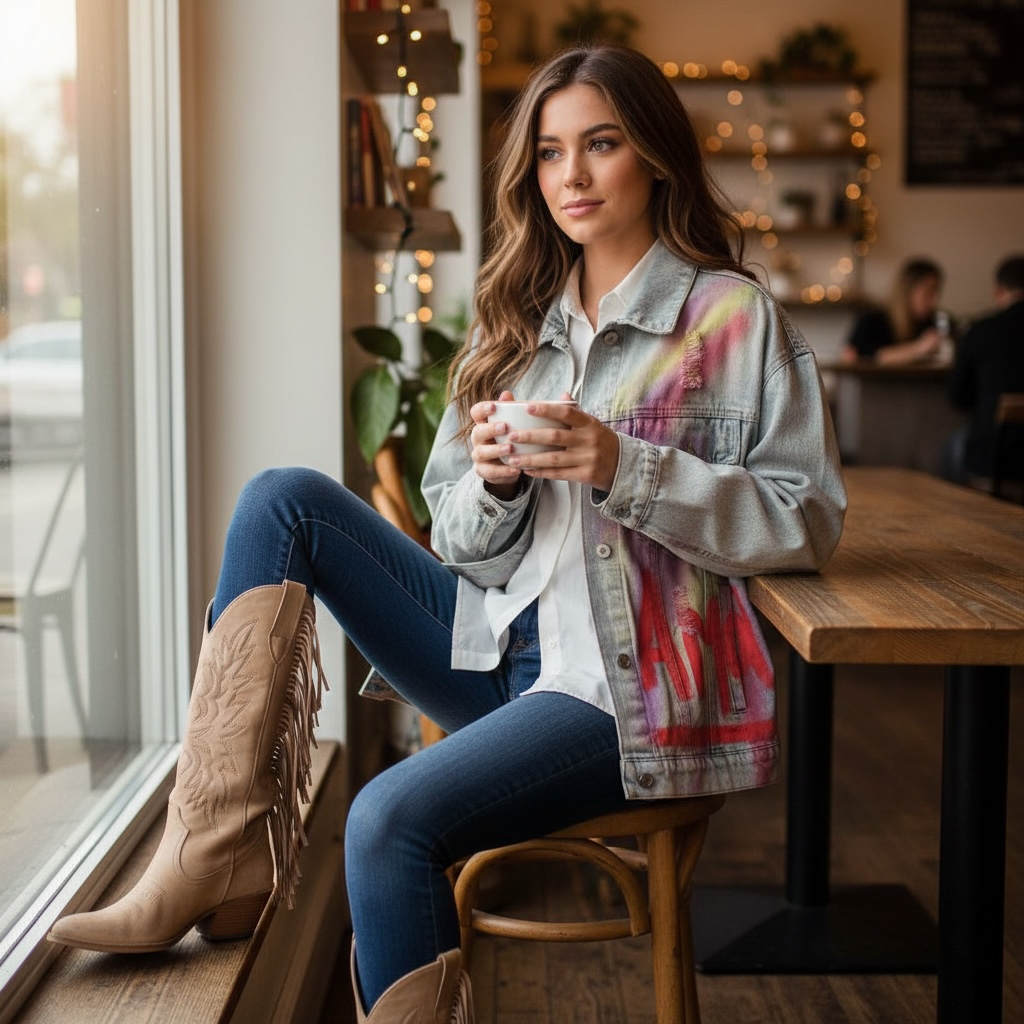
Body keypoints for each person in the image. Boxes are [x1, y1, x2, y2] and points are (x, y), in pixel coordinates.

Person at [47, 44, 847, 1023]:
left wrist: (623, 465)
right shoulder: (515, 318)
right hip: (499, 651)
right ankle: (210, 851)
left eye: (601, 143)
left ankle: (225, 869)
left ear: (655, 155)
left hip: (632, 695)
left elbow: (807, 519)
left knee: (386, 821)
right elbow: (461, 544)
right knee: (282, 499)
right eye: (550, 151)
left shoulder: (732, 321)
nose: (572, 174)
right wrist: (498, 484)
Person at [947, 254, 1024, 483]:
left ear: (998, 290)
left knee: (952, 447)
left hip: (994, 458)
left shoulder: (981, 331)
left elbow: (958, 397)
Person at [840, 257, 949, 365]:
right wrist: (919, 348)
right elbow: (858, 356)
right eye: (928, 292)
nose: (934, 300)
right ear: (908, 290)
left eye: (936, 292)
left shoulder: (935, 322)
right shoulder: (872, 321)